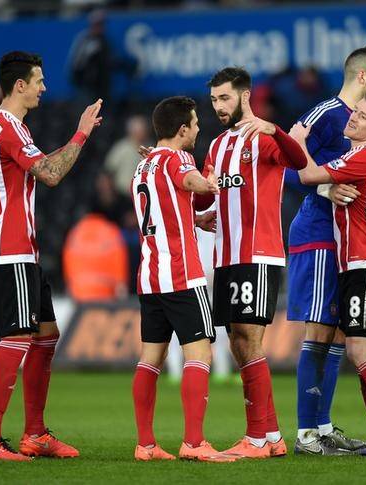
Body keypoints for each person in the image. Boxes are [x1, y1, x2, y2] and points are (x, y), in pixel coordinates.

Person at [284, 46, 366, 455]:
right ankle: (311, 432)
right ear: (362, 78)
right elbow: (289, 164)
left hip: (349, 245)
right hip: (320, 232)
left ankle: (323, 427)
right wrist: (325, 185)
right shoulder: (328, 114)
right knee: (322, 331)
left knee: (342, 336)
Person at [0, 51, 103, 461]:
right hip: (8, 250)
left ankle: (35, 434)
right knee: (17, 338)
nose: (45, 88)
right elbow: (49, 173)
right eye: (39, 80)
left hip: (19, 249)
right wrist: (80, 134)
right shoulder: (7, 129)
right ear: (20, 86)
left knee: (46, 335)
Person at [199, 67, 307, 458]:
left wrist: (274, 129)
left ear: (244, 96)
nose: (218, 107)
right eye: (213, 100)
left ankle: (258, 437)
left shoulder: (263, 137)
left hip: (258, 253)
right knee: (237, 342)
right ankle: (270, 436)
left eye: (224, 98)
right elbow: (203, 195)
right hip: (225, 255)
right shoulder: (215, 146)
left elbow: (297, 160)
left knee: (249, 335)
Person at [130, 96, 234, 462]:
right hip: (181, 275)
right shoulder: (179, 158)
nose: (199, 128)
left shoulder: (143, 167)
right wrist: (209, 183)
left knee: (150, 359)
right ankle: (194, 443)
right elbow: (189, 180)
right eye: (194, 123)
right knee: (200, 353)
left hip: (149, 276)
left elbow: (161, 214)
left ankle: (145, 445)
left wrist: (194, 220)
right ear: (181, 130)